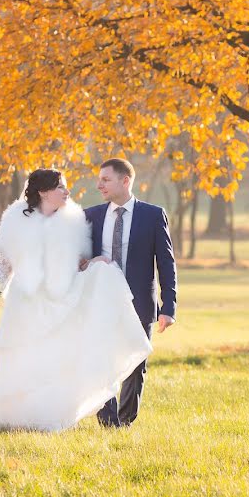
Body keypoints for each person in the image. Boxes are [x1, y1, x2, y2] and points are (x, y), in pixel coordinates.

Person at [0, 168, 152, 432]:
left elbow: (77, 264)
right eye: (61, 187)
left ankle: (47, 417)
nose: (67, 192)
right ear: (43, 192)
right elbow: (5, 264)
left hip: (58, 301)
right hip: (26, 301)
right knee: (24, 356)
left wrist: (94, 263)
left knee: (53, 358)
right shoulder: (16, 220)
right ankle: (14, 417)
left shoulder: (73, 221)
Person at [81, 158, 177, 428]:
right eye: (99, 179)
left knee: (136, 363)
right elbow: (79, 260)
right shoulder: (91, 216)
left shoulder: (153, 215)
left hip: (140, 303)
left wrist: (168, 307)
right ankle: (109, 422)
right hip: (101, 299)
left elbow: (166, 264)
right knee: (103, 361)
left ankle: (125, 420)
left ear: (125, 181)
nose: (99, 185)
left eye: (106, 179)